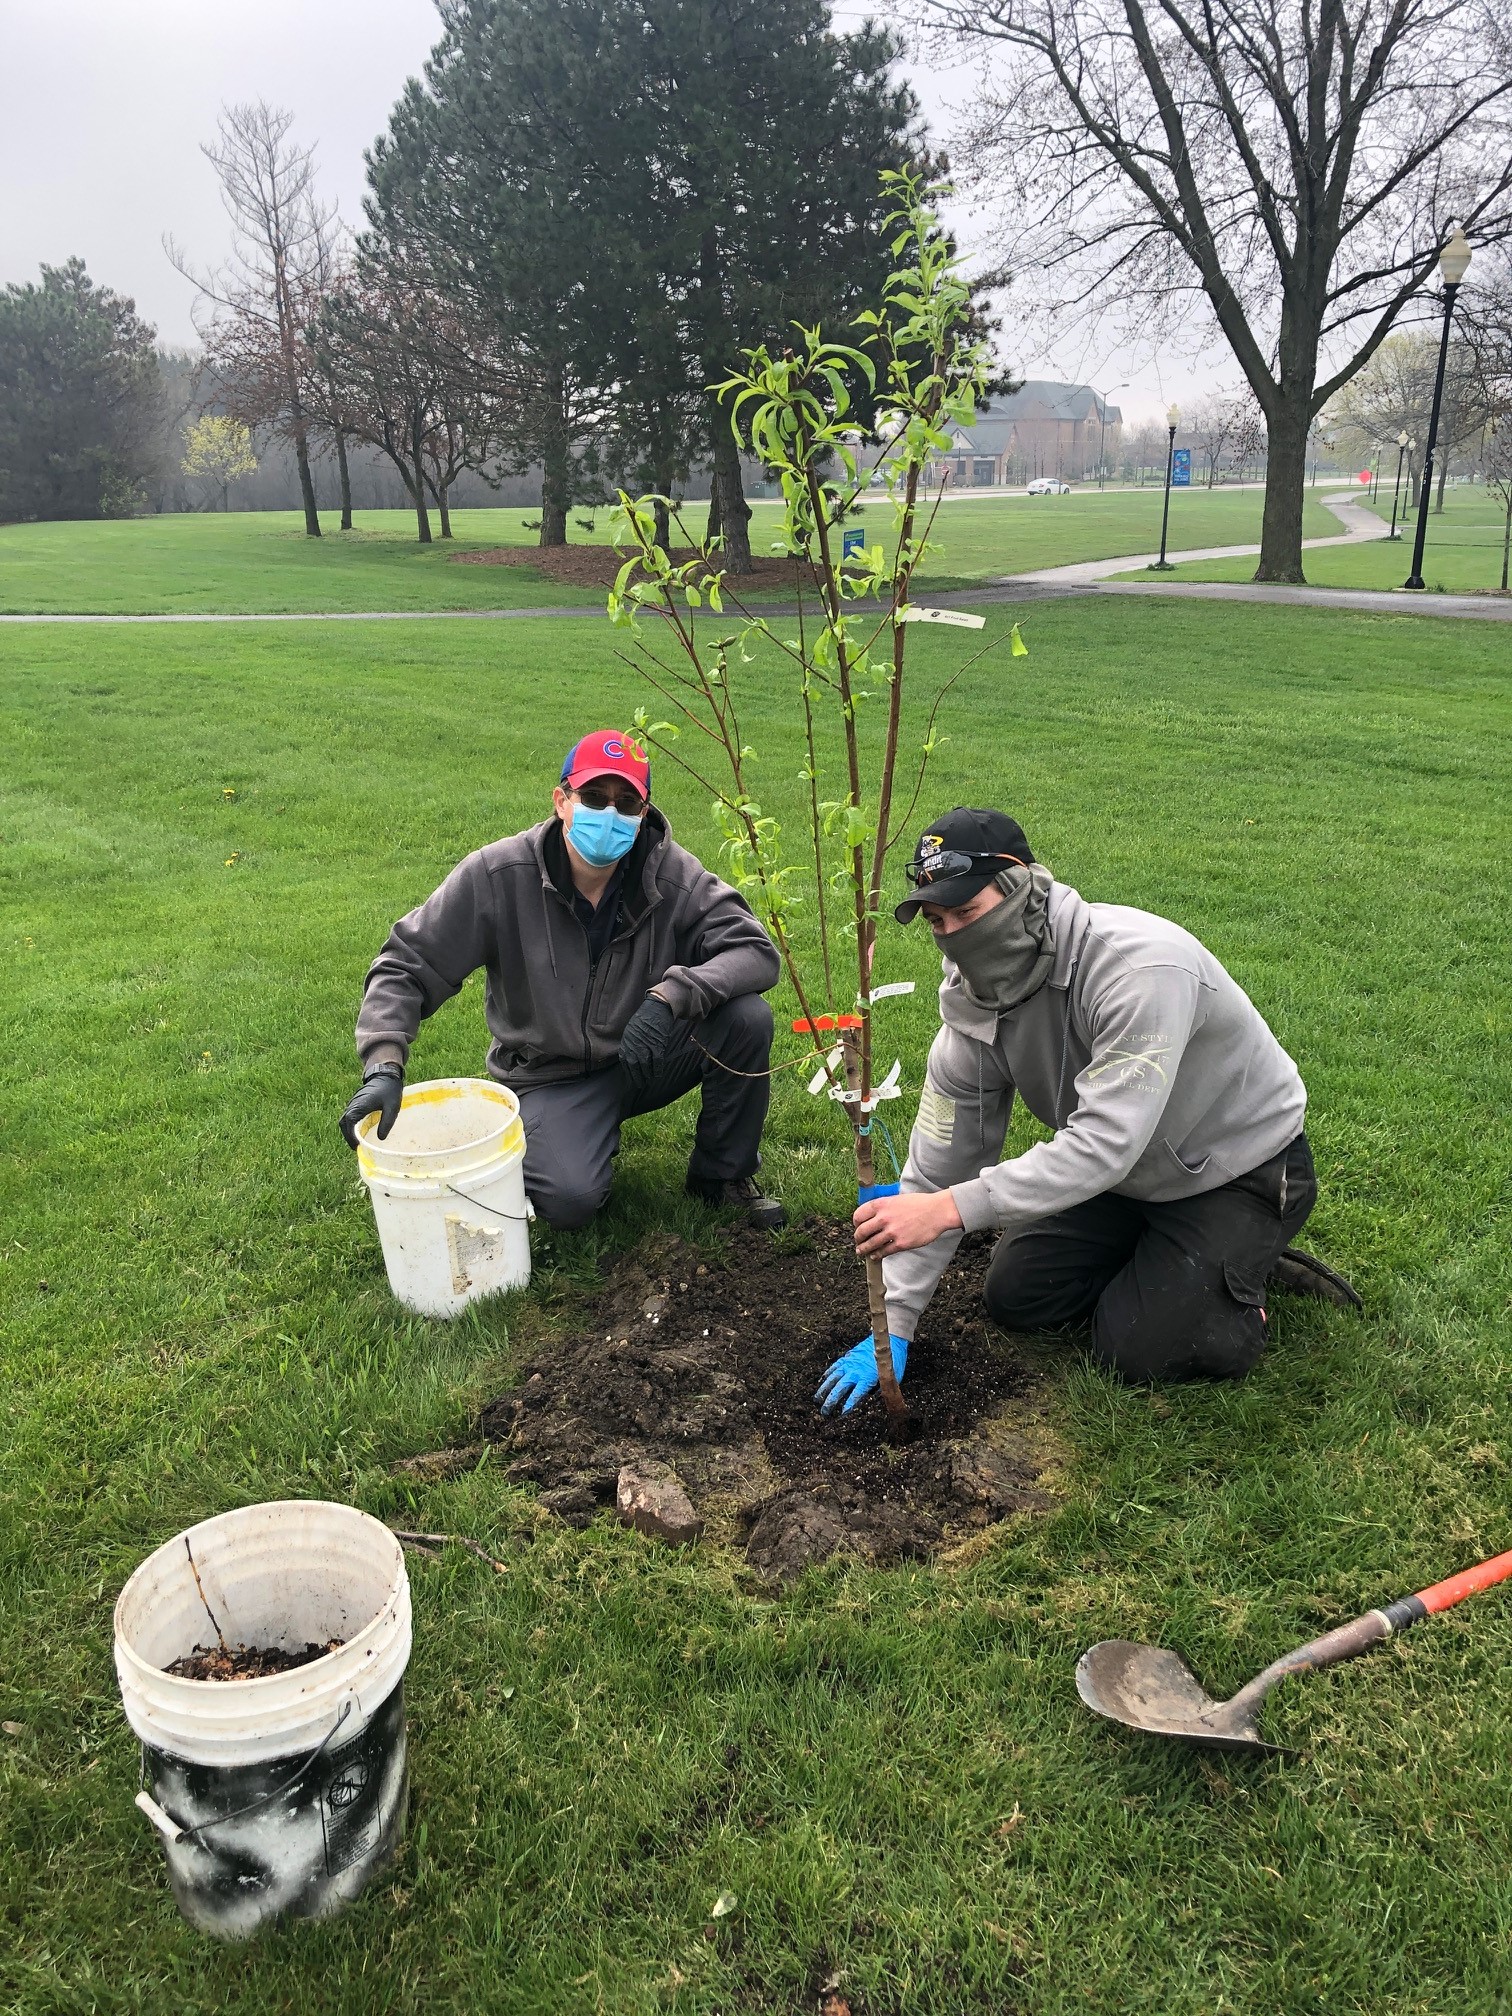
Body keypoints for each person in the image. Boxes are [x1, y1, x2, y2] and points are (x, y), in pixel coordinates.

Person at [817, 806, 1357, 1414]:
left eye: (967, 912)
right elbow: (941, 1164)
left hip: (1236, 1170)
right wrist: (897, 1322)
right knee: (1018, 1296)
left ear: (1024, 890)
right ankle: (1178, 1261)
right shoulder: (974, 1007)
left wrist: (948, 1209)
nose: (954, 934)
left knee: (1138, 1350)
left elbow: (1104, 1144)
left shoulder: (1138, 970)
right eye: (938, 920)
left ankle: (1239, 1278)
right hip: (1127, 1179)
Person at [339, 729, 785, 1230]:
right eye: (593, 797)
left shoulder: (673, 876)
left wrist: (669, 998)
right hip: (550, 1075)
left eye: (626, 803)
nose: (609, 814)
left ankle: (721, 1178)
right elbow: (406, 964)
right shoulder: (497, 875)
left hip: (648, 1052)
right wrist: (383, 1065)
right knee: (570, 1202)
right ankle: (577, 1140)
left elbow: (755, 951)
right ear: (561, 800)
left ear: (644, 814)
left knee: (746, 1018)